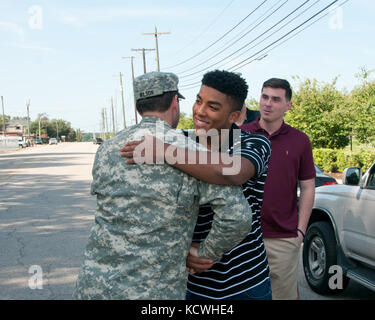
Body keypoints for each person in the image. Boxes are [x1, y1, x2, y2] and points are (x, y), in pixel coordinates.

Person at [73, 71, 253, 300]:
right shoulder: (194, 155)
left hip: (93, 287)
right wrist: (206, 253)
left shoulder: (107, 149)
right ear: (175, 102)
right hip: (155, 293)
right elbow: (237, 217)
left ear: (138, 107)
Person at [121, 70, 272, 300]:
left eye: (212, 106)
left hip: (244, 283)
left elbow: (234, 172)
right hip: (190, 283)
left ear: (233, 116)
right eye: (198, 101)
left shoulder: (254, 142)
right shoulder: (180, 140)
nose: (199, 111)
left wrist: (164, 151)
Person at [240, 78, 316, 300]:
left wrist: (299, 232)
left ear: (288, 106)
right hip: (242, 237)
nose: (268, 103)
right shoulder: (240, 136)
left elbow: (308, 187)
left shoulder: (300, 141)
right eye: (264, 97)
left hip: (282, 238)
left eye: (275, 99)